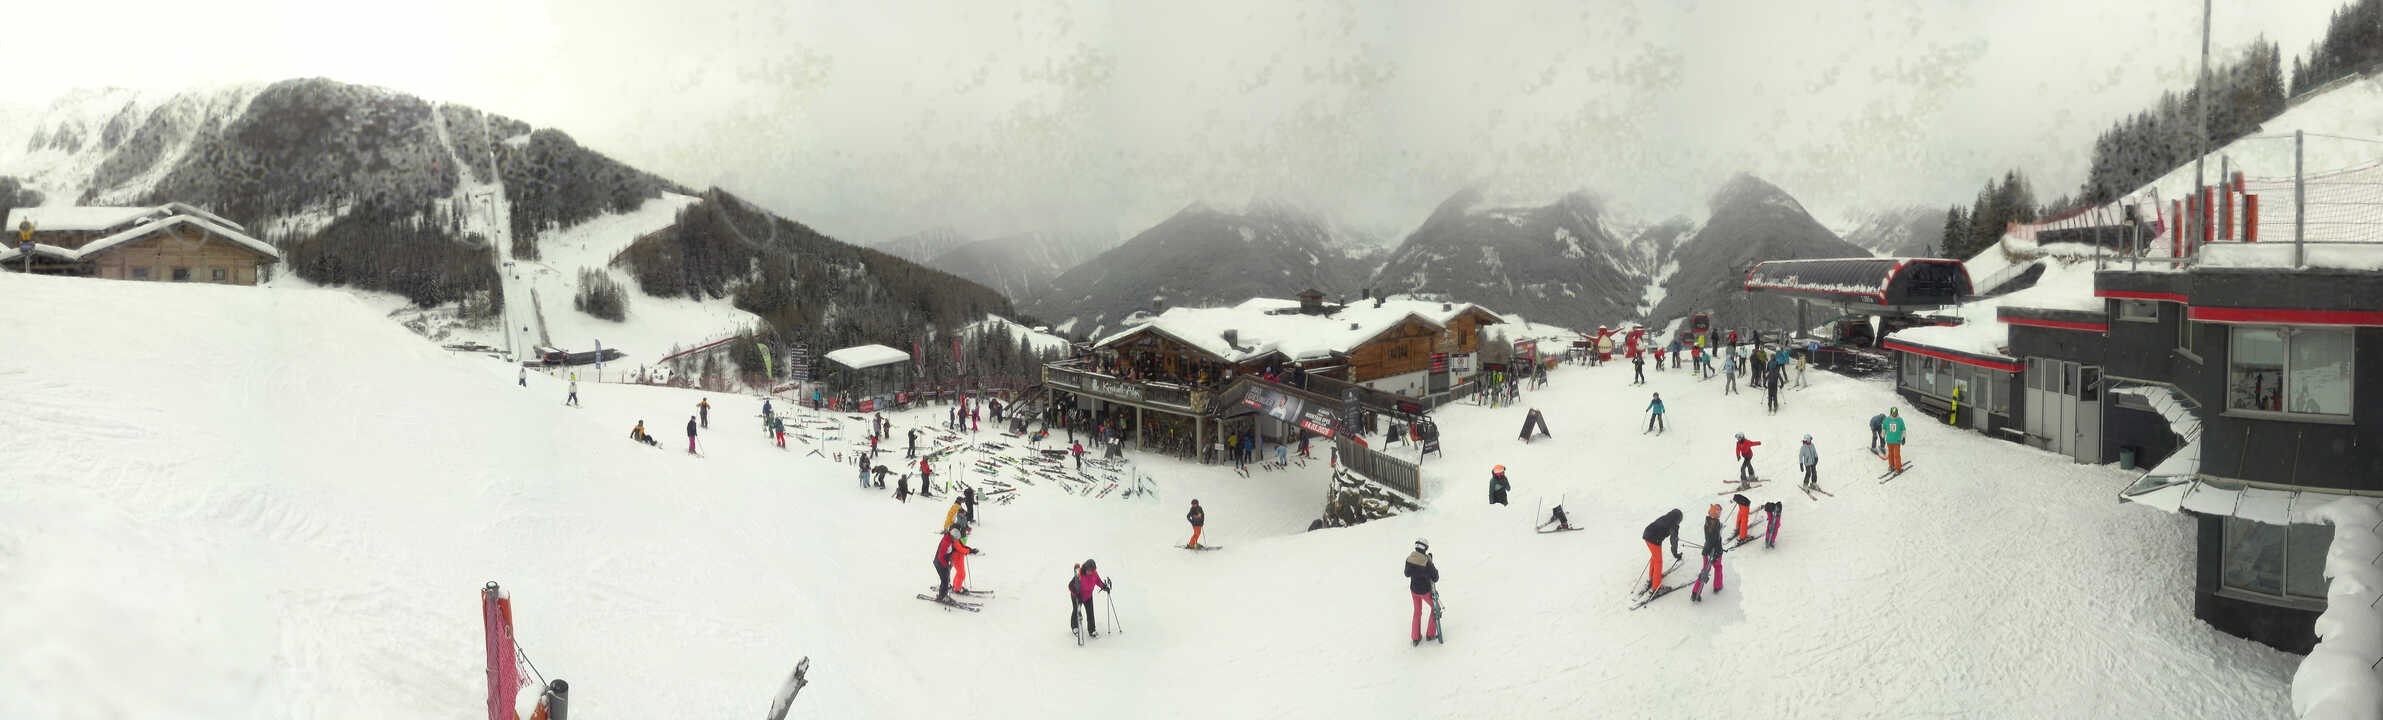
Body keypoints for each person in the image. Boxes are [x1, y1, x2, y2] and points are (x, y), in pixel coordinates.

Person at [1404, 539, 1440, 646]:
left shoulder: (1409, 559)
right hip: (1425, 591)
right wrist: (1430, 563)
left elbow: (1407, 573)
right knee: (1436, 608)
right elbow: (1435, 577)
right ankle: (1430, 634)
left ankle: (1415, 637)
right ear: (1425, 548)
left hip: (1414, 590)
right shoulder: (1426, 561)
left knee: (1417, 611)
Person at [1641, 509, 1685, 594]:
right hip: (1654, 539)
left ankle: (1652, 578)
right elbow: (1674, 541)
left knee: (1654, 558)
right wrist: (1675, 554)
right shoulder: (1674, 525)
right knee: (1658, 562)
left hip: (1647, 534)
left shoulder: (1666, 517)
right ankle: (1656, 588)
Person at [1692, 505, 1726, 602]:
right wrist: (1717, 552)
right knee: (1717, 567)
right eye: (1719, 512)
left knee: (1705, 570)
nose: (1720, 514)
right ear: (1716, 514)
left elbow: (1711, 538)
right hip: (1713, 552)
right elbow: (1714, 540)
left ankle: (1695, 592)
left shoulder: (1708, 521)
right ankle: (1718, 586)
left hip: (1707, 551)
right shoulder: (1716, 524)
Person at [1074, 560, 1113, 637]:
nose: (1091, 572)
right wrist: (1077, 594)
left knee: (1090, 613)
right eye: (1090, 571)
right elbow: (1071, 585)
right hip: (1078, 596)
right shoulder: (1079, 574)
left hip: (1088, 596)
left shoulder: (1094, 573)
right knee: (1076, 610)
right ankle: (1074, 626)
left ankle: (1092, 630)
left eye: (1093, 570)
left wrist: (1104, 587)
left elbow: (1098, 581)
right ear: (1086, 568)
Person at [932, 523, 967, 603]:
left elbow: (950, 551)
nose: (956, 540)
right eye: (955, 539)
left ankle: (943, 594)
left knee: (946, 580)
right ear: (952, 536)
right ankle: (942, 597)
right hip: (940, 563)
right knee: (945, 580)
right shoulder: (946, 542)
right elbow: (940, 556)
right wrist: (946, 566)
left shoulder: (949, 539)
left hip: (943, 562)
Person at [950, 520, 978, 593]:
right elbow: (961, 549)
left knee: (960, 573)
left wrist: (970, 549)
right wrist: (969, 551)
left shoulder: (955, 538)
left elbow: (962, 546)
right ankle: (957, 589)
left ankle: (956, 586)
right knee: (962, 574)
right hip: (957, 558)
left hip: (959, 558)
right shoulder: (954, 540)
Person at [1882, 408, 1908, 472]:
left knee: (1896, 455)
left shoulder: (1900, 420)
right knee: (1890, 454)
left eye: (1895, 413)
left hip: (1897, 441)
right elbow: (1884, 428)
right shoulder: (1887, 420)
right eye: (1893, 413)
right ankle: (1891, 465)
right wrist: (1883, 436)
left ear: (1897, 412)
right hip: (1889, 441)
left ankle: (1898, 468)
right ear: (1891, 413)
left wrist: (1903, 438)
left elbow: (1903, 429)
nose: (1894, 414)